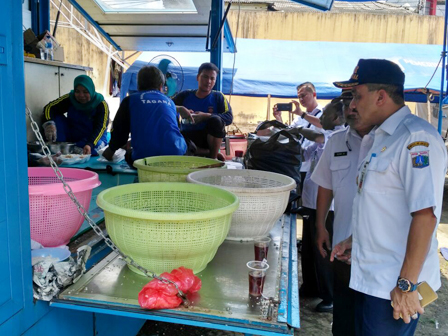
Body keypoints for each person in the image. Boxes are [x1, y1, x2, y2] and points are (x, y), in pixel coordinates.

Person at [330, 59, 447, 336]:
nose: (352, 105)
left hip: (393, 288)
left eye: (357, 96)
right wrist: (354, 240)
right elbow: (381, 206)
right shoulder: (380, 138)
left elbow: (425, 215)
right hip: (368, 276)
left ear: (381, 96)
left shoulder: (416, 139)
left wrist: (407, 285)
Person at [311, 90, 374, 335]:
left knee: (371, 320)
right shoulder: (337, 141)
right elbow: (325, 186)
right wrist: (320, 226)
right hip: (342, 248)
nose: (351, 108)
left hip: (375, 253)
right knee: (344, 319)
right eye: (347, 103)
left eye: (356, 101)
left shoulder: (389, 142)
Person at [299, 100, 346, 312]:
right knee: (309, 249)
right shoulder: (324, 136)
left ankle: (330, 296)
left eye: (324, 114)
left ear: (336, 118)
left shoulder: (338, 136)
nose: (320, 119)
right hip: (311, 200)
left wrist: (298, 129)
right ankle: (311, 286)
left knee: (324, 250)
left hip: (328, 207)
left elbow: (317, 136)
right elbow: (307, 153)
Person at [103, 66, 192, 164]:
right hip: (178, 155)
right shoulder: (169, 101)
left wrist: (110, 151)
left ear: (138, 85)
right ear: (161, 86)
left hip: (145, 160)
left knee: (128, 154)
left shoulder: (130, 100)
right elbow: (169, 132)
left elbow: (119, 133)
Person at [172, 62, 233, 160]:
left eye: (212, 78)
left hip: (209, 139)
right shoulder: (185, 95)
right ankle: (208, 153)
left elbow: (229, 118)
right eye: (205, 77)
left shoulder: (218, 97)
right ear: (197, 77)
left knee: (216, 120)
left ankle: (212, 159)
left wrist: (206, 116)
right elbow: (165, 106)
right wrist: (181, 109)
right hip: (188, 138)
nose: (208, 81)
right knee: (172, 135)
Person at [273, 82, 323, 194]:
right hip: (298, 163)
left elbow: (323, 125)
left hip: (313, 164)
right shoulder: (300, 117)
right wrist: (278, 118)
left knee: (309, 197)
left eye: (303, 95)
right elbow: (287, 134)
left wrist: (302, 114)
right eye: (299, 96)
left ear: (314, 94)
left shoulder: (323, 113)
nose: (301, 99)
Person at [42, 75, 109, 155]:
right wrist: (49, 124)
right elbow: (49, 107)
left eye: (85, 92)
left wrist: (90, 144)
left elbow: (100, 127)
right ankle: (60, 145)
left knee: (94, 148)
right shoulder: (71, 98)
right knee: (55, 118)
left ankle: (71, 148)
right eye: (77, 91)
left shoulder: (101, 104)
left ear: (91, 90)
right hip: (73, 136)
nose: (81, 95)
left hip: (92, 138)